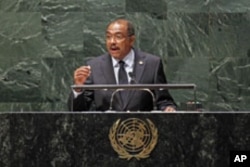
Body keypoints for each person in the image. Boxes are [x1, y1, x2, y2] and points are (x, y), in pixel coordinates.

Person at [68, 19, 176, 112]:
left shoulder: (152, 64)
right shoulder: (94, 66)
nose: (112, 42)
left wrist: (168, 108)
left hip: (141, 130)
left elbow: (164, 101)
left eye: (118, 37)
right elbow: (78, 112)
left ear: (131, 40)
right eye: (108, 37)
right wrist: (78, 89)